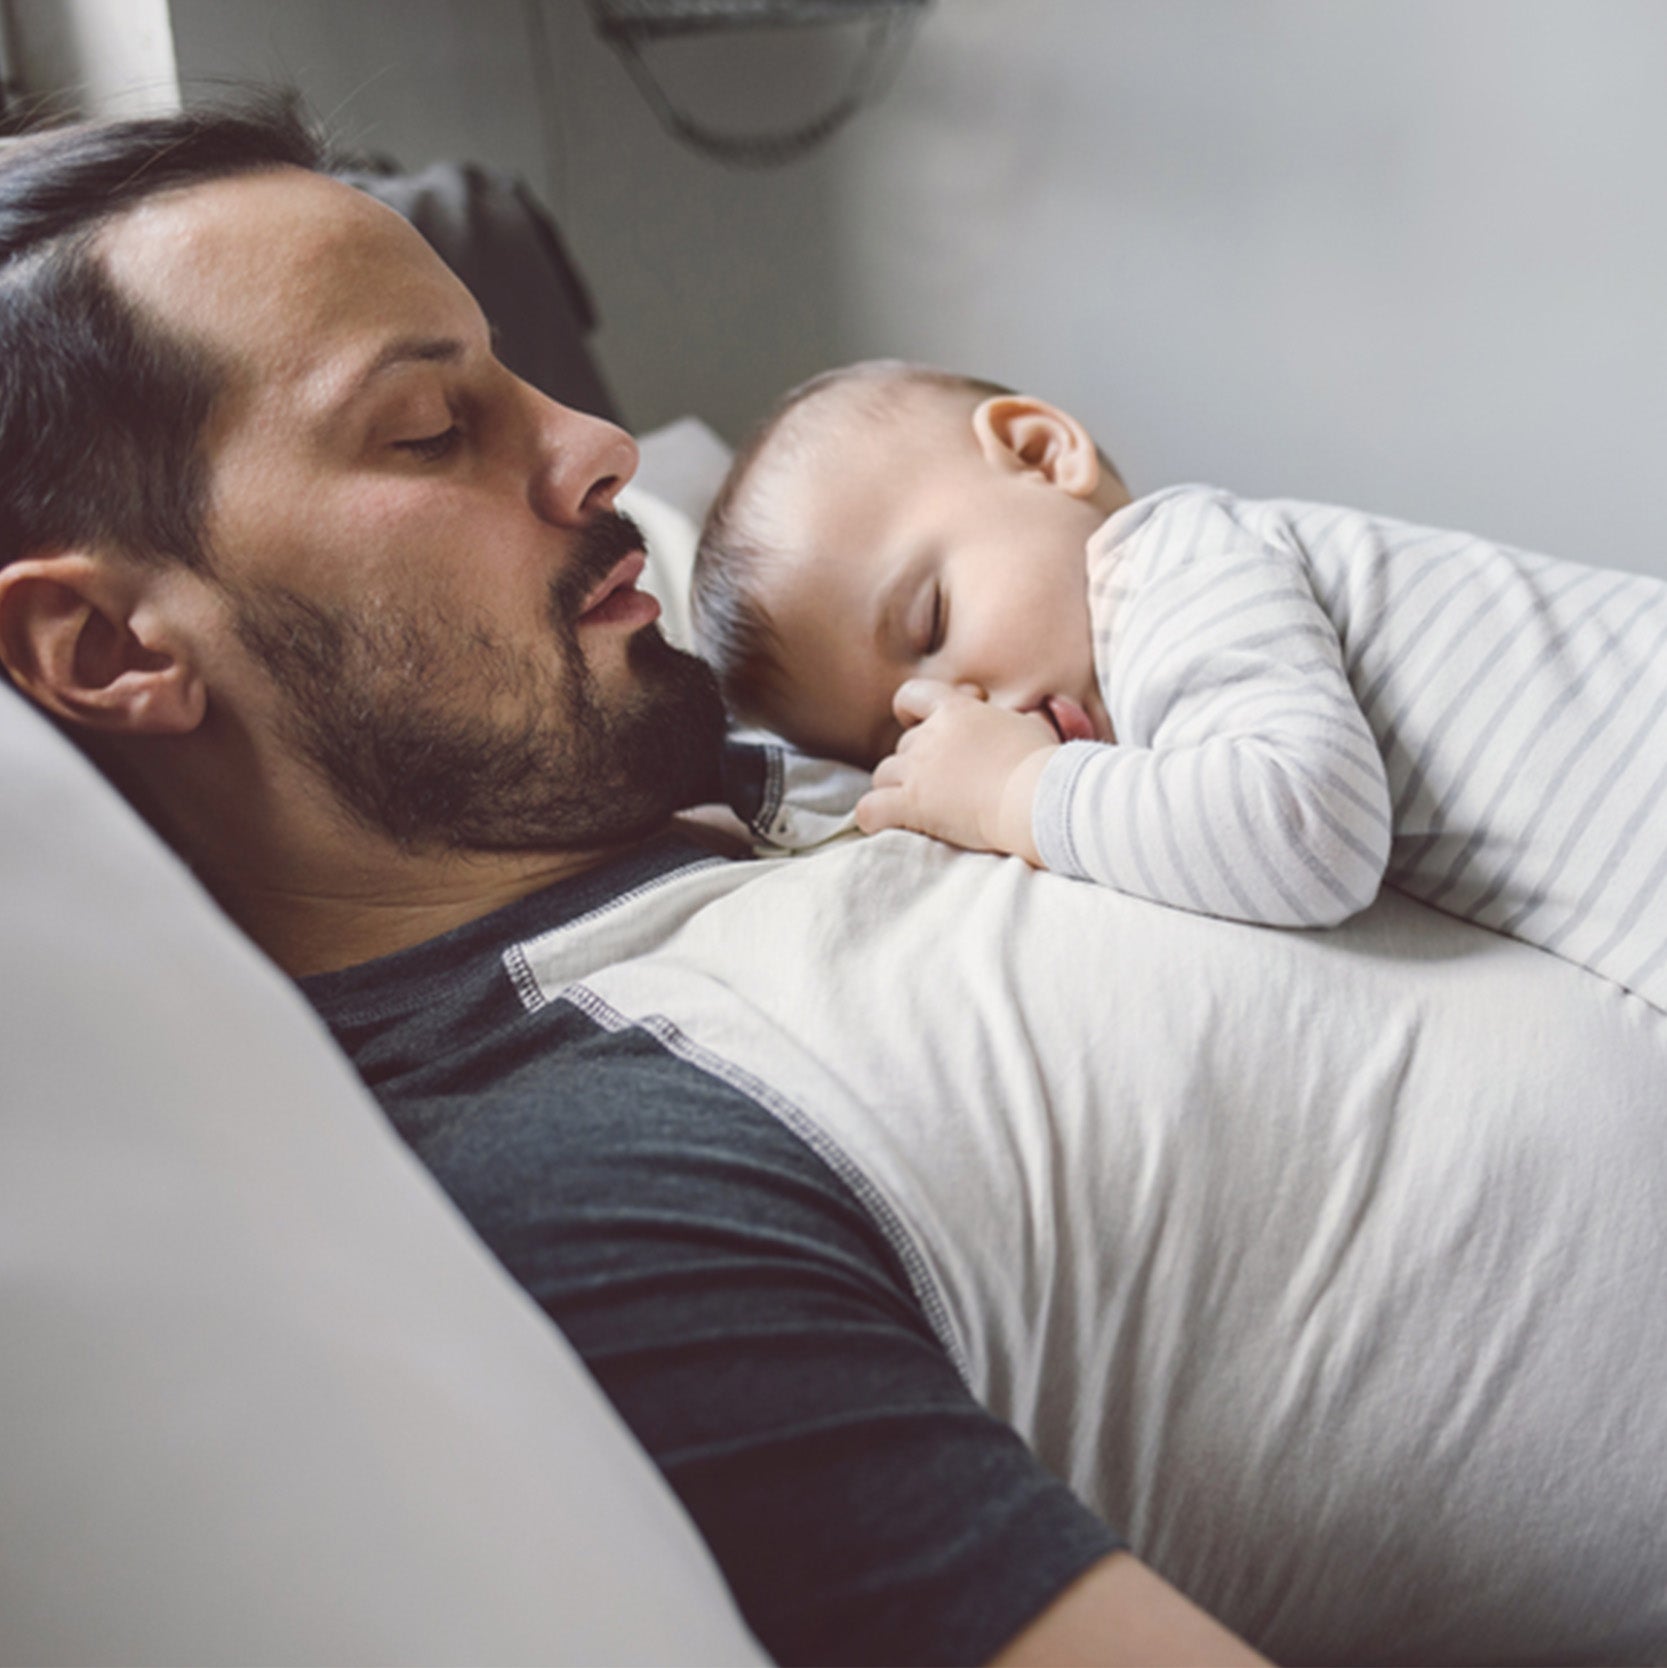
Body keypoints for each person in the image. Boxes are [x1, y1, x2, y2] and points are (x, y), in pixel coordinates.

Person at [7, 102, 1666, 1668]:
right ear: (104, 648)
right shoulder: (604, 1192)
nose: (596, 444)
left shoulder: (776, 763)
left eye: (518, 375)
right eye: (432, 424)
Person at [691, 360, 1667, 1011]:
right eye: (894, 734)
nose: (956, 711)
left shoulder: (1161, 565)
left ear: (1039, 455)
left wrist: (1011, 793)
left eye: (930, 622)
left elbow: (1305, 829)